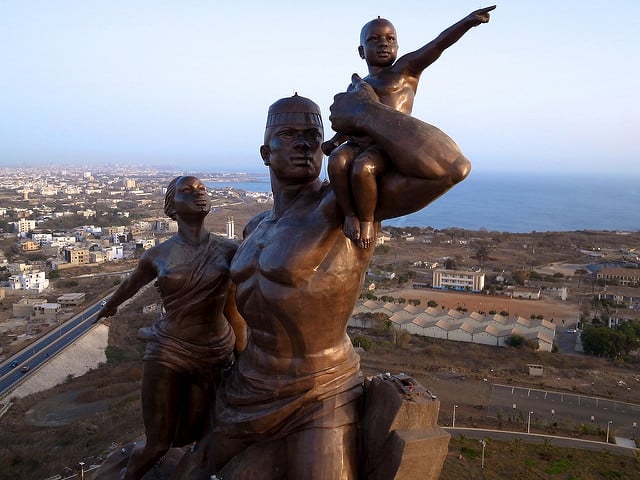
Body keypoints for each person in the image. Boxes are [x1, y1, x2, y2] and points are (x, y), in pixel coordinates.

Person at [178, 77, 472, 479]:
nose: (302, 143)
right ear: (266, 152)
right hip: (245, 386)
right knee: (196, 470)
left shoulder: (348, 207)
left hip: (320, 390)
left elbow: (450, 168)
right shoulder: (256, 227)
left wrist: (368, 113)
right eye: (288, 134)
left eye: (313, 135)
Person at [96, 176, 246, 480]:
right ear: (171, 207)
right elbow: (131, 284)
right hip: (168, 351)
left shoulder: (229, 250)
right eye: (188, 190)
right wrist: (109, 306)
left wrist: (243, 355)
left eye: (202, 189)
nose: (198, 193)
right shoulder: (158, 255)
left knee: (209, 433)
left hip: (216, 353)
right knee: (157, 444)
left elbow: (235, 309)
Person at [323, 6, 495, 248]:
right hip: (358, 141)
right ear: (361, 51)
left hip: (386, 145)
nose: (383, 43)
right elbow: (350, 120)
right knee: (337, 162)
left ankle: (367, 219)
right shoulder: (358, 85)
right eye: (374, 39)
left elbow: (436, 46)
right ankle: (349, 214)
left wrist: (466, 23)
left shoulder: (404, 71)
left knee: (363, 168)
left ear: (397, 47)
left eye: (390, 39)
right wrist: (335, 141)